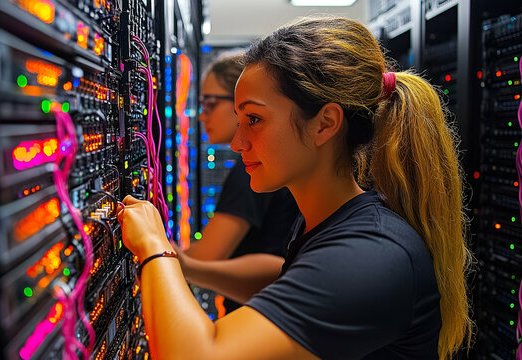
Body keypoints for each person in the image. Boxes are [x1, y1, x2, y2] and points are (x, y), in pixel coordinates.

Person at [118, 16, 473, 360]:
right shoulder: (329, 221)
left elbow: (193, 355)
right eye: (240, 121)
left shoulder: (374, 252)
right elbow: (284, 279)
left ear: (325, 124)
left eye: (254, 119)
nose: (238, 142)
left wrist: (154, 246)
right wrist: (185, 266)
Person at [181, 51, 299, 314]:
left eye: (210, 104)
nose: (202, 116)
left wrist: (155, 251)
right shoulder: (273, 165)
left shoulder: (252, 172)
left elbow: (205, 257)